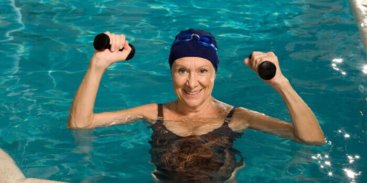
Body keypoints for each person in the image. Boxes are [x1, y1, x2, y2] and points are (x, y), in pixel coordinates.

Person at [68, 29, 325, 182]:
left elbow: (312, 139)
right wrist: (97, 65)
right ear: (171, 73)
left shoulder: (236, 117)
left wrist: (281, 83)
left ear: (214, 74)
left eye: (202, 70)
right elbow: (81, 124)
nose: (192, 83)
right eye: (182, 71)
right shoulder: (154, 114)